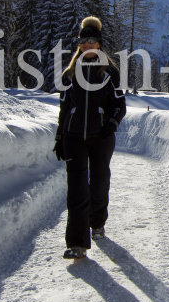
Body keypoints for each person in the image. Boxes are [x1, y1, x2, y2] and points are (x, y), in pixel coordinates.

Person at [54, 16, 126, 260]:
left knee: (99, 182)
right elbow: (64, 108)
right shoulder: (70, 72)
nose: (87, 45)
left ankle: (97, 222)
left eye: (92, 41)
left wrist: (112, 124)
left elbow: (119, 105)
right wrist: (59, 136)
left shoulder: (110, 73)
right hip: (73, 136)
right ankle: (77, 243)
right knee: (76, 189)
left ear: (99, 44)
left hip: (101, 137)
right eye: (83, 41)